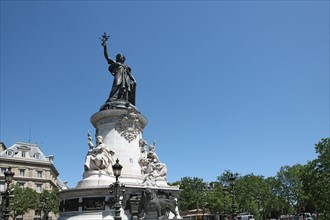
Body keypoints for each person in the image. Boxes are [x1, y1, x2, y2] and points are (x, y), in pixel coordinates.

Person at [100, 33, 136, 106]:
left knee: (125, 89)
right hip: (119, 76)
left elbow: (130, 74)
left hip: (126, 79)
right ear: (117, 58)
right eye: (119, 56)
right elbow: (107, 57)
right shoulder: (116, 63)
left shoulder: (126, 66)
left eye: (122, 57)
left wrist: (134, 79)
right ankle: (113, 99)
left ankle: (124, 100)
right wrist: (105, 46)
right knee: (117, 85)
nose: (121, 57)